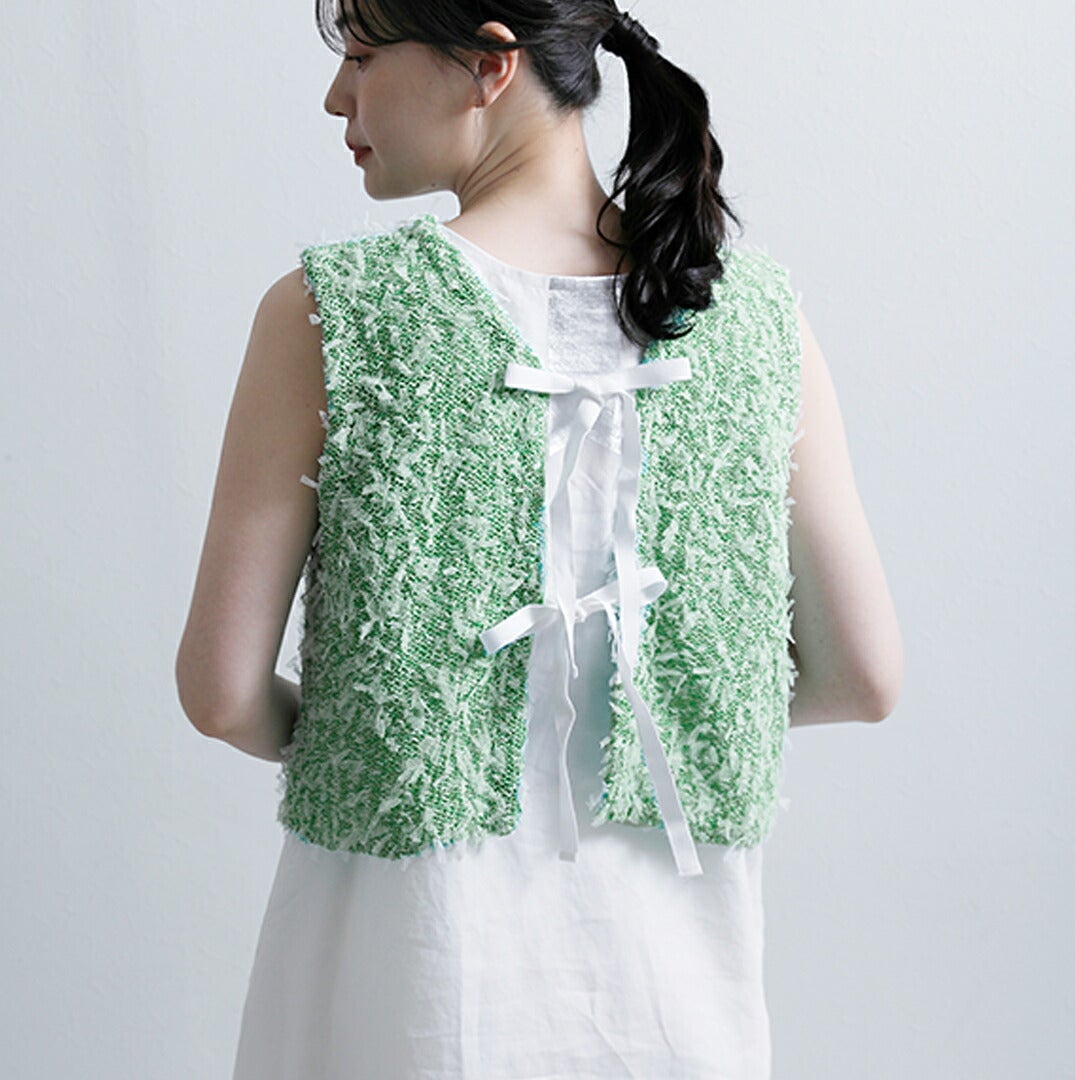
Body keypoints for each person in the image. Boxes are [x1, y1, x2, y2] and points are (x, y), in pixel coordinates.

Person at [175, 0, 904, 1075]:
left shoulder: (332, 314)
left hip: (402, 989)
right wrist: (684, 712)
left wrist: (380, 734)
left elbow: (221, 692)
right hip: (671, 1009)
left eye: (364, 58)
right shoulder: (753, 318)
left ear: (489, 63)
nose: (337, 97)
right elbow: (866, 678)